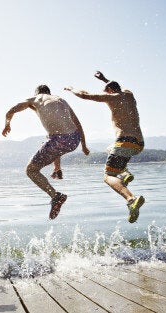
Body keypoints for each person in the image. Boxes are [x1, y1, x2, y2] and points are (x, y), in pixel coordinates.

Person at [64, 70, 145, 223]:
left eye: (105, 91)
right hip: (138, 143)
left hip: (124, 141)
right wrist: (104, 80)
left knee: (108, 177)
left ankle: (131, 199)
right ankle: (124, 172)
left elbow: (84, 95)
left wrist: (70, 88)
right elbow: (116, 88)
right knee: (109, 148)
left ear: (109, 91)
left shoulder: (111, 97)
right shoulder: (129, 95)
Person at [2, 84, 90, 219]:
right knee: (51, 139)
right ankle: (57, 169)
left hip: (60, 140)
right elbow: (78, 124)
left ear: (37, 93)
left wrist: (7, 123)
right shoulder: (61, 100)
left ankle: (56, 196)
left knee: (31, 170)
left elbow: (10, 110)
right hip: (74, 140)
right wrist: (83, 145)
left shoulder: (35, 99)